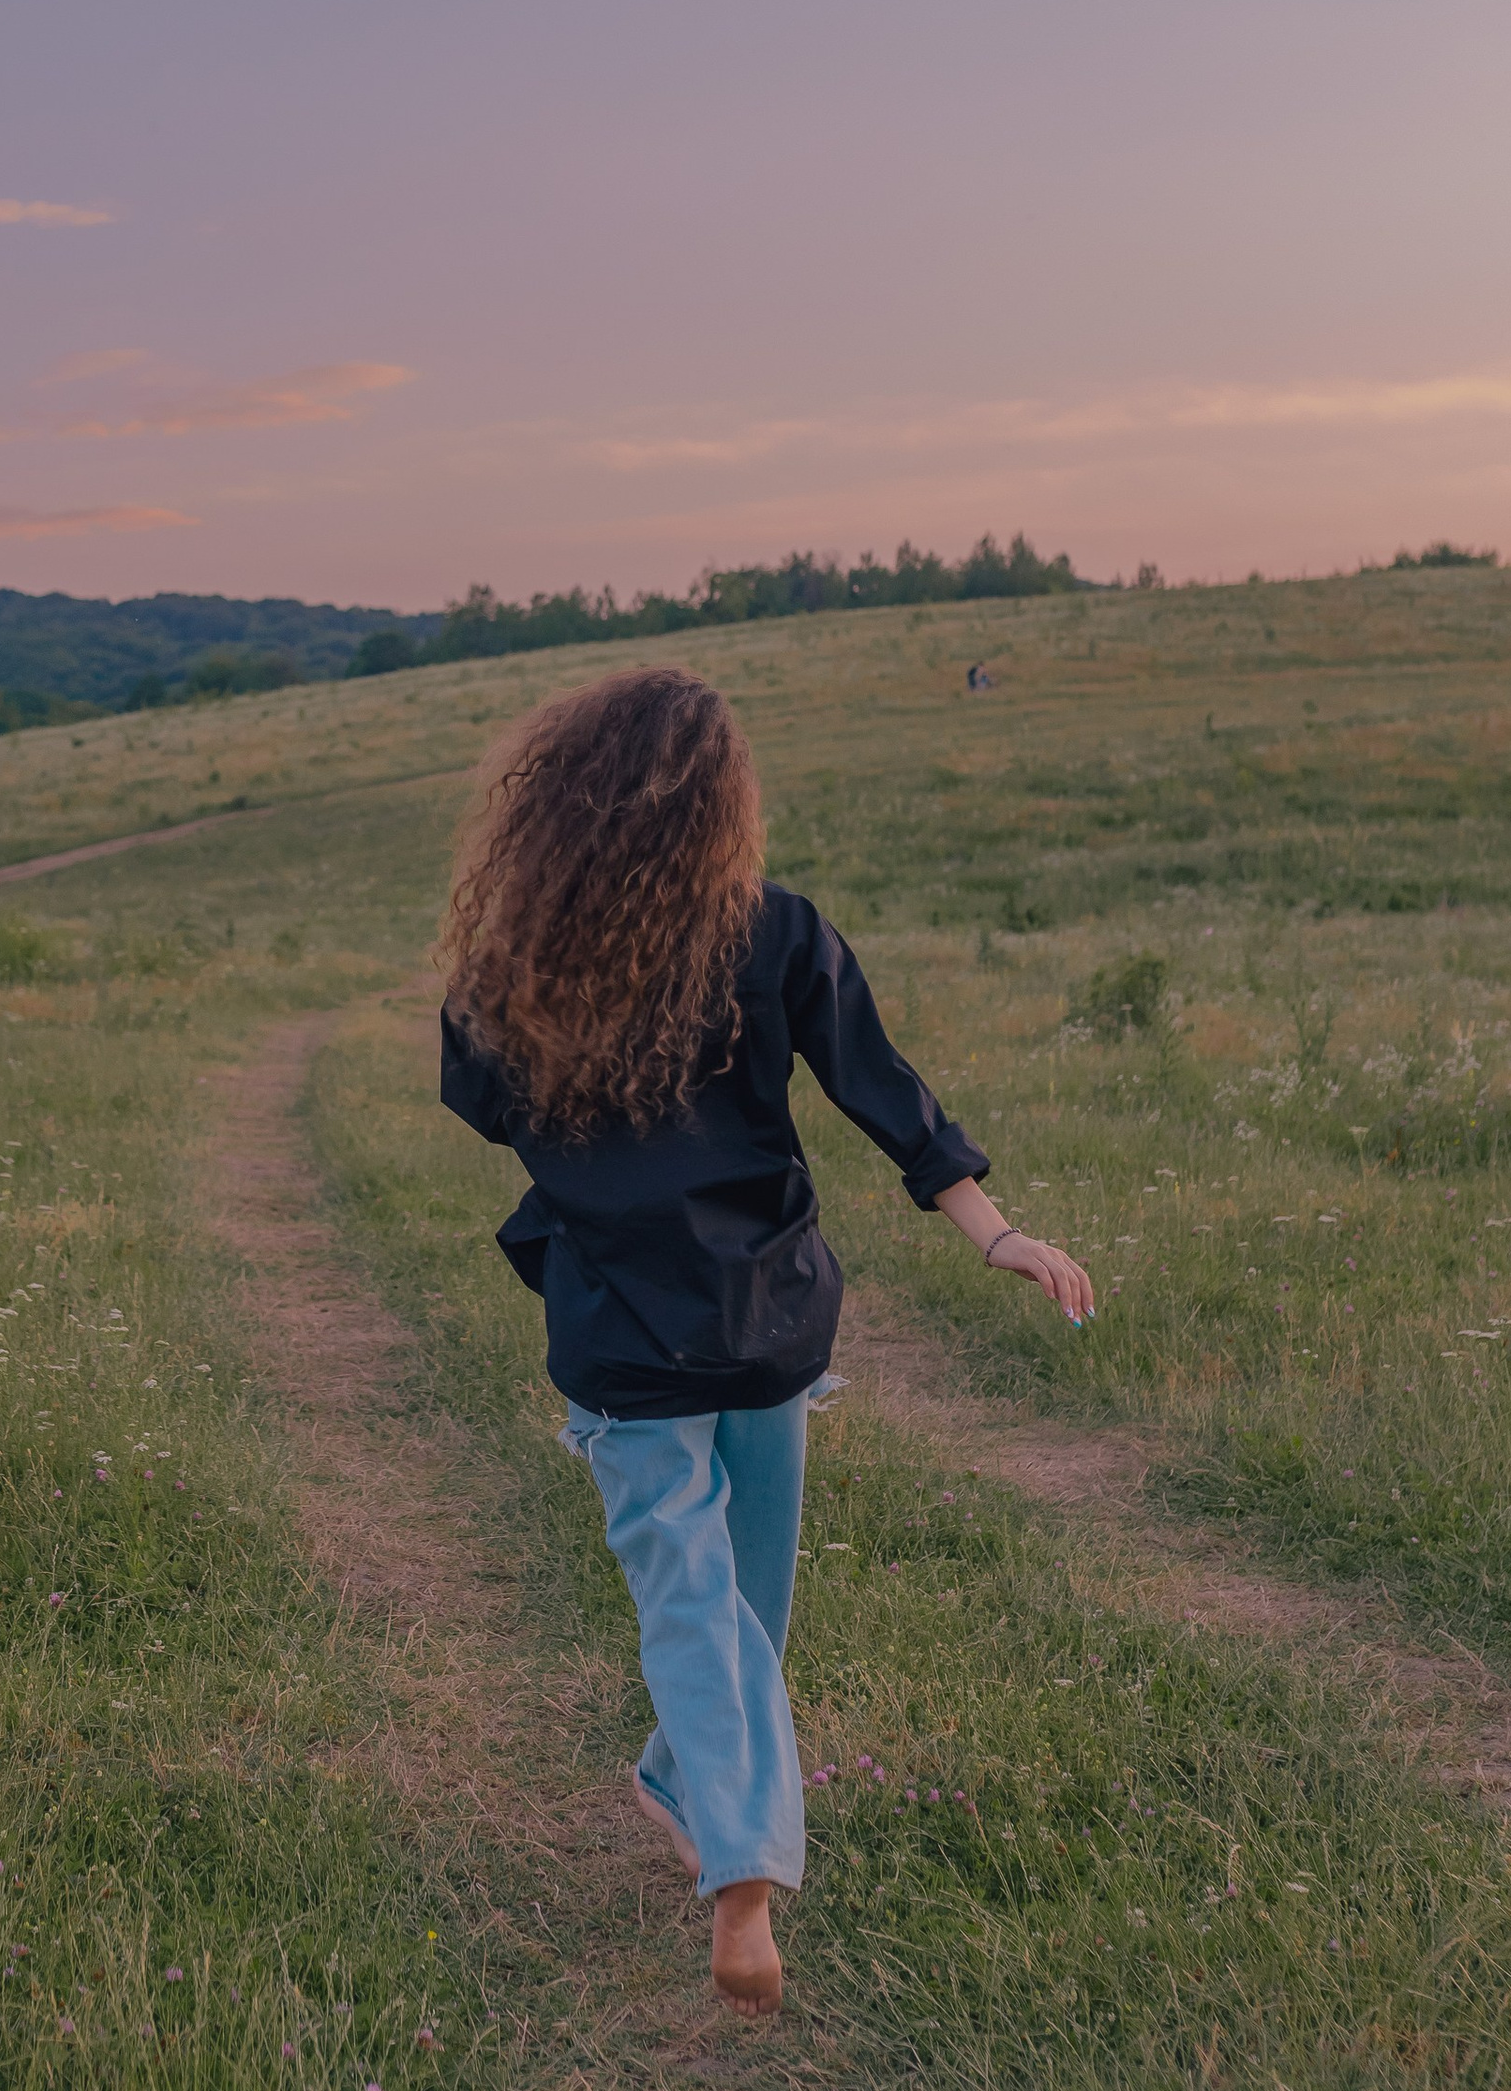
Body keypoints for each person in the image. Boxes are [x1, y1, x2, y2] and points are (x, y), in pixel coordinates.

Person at [438, 666, 1094, 2018]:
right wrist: (994, 1231)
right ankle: (735, 1857)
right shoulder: (774, 933)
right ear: (725, 805)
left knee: (719, 1601)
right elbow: (885, 1094)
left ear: (557, 809)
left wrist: (578, 1066)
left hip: (650, 1326)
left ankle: (705, 1813)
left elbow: (484, 1102)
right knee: (726, 1598)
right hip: (757, 1320)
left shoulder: (540, 967)